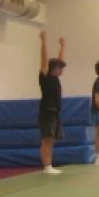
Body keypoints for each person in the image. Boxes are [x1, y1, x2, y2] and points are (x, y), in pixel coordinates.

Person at [38, 31, 66, 175]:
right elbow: (44, 59)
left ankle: (49, 164)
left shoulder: (56, 79)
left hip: (55, 112)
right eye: (60, 68)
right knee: (47, 139)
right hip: (47, 111)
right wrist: (43, 42)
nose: (62, 70)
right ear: (53, 69)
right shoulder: (45, 76)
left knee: (52, 140)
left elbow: (60, 60)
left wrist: (62, 46)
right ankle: (46, 166)